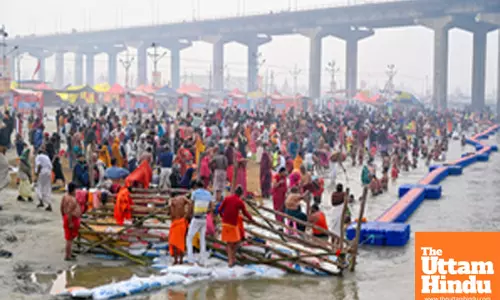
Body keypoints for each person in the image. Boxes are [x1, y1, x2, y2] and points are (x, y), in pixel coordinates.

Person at [219, 186, 253, 267]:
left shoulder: (227, 199)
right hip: (232, 225)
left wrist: (222, 217)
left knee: (235, 242)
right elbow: (245, 213)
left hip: (226, 223)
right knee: (232, 244)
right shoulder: (239, 202)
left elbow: (220, 210)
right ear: (241, 194)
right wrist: (251, 219)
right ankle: (230, 262)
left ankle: (232, 259)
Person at [186, 180, 213, 265]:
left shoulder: (195, 193)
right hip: (204, 218)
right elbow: (211, 207)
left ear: (196, 186)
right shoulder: (208, 194)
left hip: (196, 218)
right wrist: (205, 211)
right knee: (202, 239)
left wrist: (188, 215)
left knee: (189, 238)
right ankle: (202, 259)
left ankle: (190, 259)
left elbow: (191, 205)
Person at [60, 182, 81, 261]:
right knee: (70, 239)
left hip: (67, 218)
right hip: (71, 219)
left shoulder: (65, 197)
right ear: (73, 190)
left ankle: (69, 253)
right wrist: (70, 222)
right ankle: (67, 256)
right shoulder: (72, 200)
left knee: (69, 238)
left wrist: (63, 216)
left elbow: (61, 207)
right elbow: (69, 212)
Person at [168, 195, 191, 265]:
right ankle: (178, 260)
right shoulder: (175, 200)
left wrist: (186, 215)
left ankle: (178, 260)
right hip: (177, 222)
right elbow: (190, 203)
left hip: (179, 222)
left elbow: (190, 203)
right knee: (178, 242)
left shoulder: (174, 200)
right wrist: (186, 215)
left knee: (177, 242)